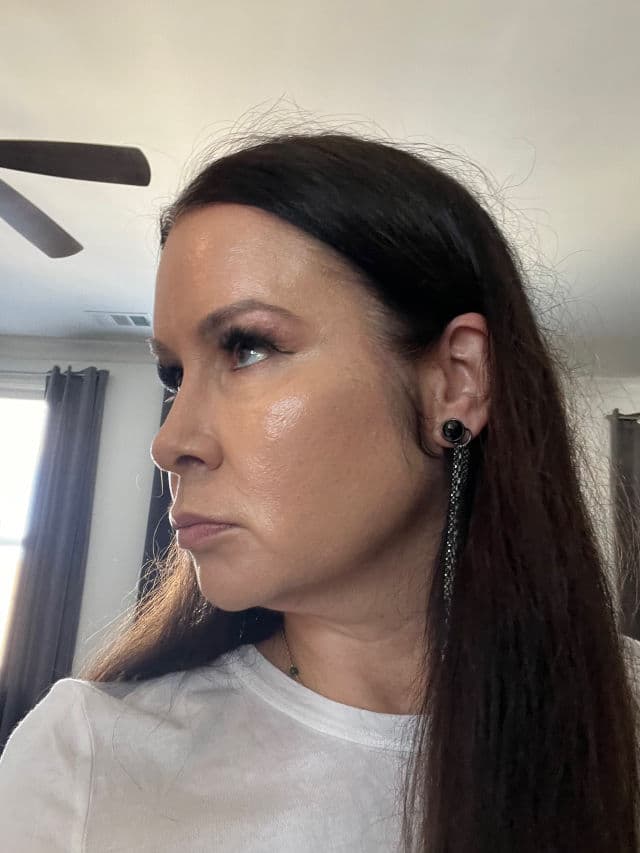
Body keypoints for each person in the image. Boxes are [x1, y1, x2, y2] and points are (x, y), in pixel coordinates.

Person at [0, 131, 638, 853]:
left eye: (248, 347)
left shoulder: (621, 723)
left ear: (455, 383)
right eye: (173, 376)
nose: (169, 441)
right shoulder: (85, 761)